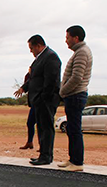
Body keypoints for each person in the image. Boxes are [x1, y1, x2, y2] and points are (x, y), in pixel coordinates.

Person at [21, 35, 62, 166]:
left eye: (31, 48)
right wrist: (25, 88)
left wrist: (43, 98)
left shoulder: (51, 57)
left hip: (46, 100)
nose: (31, 51)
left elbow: (51, 81)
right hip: (38, 100)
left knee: (46, 127)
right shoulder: (40, 59)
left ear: (39, 45)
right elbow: (34, 78)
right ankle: (43, 154)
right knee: (41, 127)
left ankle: (46, 156)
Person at [58, 25, 93, 172]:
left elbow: (77, 78)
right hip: (73, 96)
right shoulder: (79, 52)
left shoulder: (82, 52)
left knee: (75, 130)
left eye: (67, 38)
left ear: (76, 38)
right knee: (71, 129)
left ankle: (77, 162)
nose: (66, 41)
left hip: (75, 95)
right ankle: (73, 159)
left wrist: (62, 92)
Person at [14, 68, 37, 150]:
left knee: (41, 125)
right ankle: (30, 142)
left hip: (39, 102)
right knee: (30, 123)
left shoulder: (37, 77)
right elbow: (28, 82)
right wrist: (22, 89)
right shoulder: (31, 77)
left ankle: (44, 146)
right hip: (34, 103)